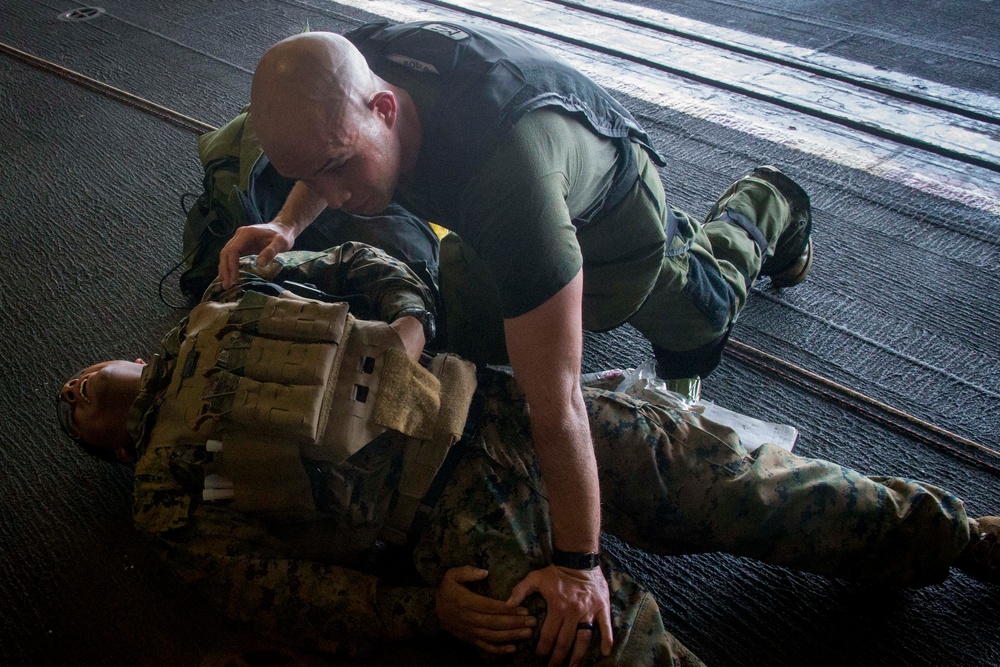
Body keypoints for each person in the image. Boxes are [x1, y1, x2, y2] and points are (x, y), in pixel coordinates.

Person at [60, 244, 999, 667]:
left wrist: (414, 322)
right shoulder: (166, 498)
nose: (71, 395)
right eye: (70, 418)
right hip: (453, 528)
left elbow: (365, 264)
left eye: (75, 380)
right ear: (108, 451)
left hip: (505, 406)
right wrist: (429, 612)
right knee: (602, 649)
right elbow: (285, 594)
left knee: (748, 484)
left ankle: (957, 538)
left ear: (130, 356)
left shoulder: (233, 294)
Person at [214, 21, 816, 650]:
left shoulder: (507, 182)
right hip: (494, 217)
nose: (335, 197)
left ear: (385, 108)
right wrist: (285, 225)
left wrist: (579, 566)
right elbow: (320, 157)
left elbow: (557, 403)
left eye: (340, 169)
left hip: (613, 223)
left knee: (702, 313)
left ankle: (768, 201)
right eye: (314, 175)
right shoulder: (352, 76)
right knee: (471, 365)